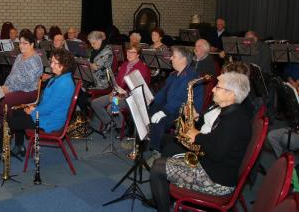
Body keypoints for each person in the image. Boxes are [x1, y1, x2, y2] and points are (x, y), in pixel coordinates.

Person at [149, 72, 252, 212]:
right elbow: (216, 142)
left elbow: (216, 153)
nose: (214, 89)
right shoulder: (230, 113)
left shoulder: (234, 121)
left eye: (218, 87)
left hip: (216, 181)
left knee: (158, 169)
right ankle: (167, 203)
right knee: (160, 163)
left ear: (231, 94)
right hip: (212, 168)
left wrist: (197, 136)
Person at [0, 48, 77, 164]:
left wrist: (32, 110)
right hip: (46, 114)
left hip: (50, 120)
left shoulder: (64, 84)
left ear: (64, 65)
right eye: (52, 61)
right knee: (15, 112)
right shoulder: (61, 77)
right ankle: (19, 146)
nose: (51, 65)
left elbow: (48, 108)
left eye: (55, 63)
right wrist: (32, 108)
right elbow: (47, 104)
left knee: (9, 122)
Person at [147, 46, 203, 161]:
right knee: (147, 111)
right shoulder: (174, 74)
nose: (171, 58)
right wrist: (151, 101)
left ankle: (156, 152)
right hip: (172, 105)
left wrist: (163, 111)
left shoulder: (190, 75)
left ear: (183, 59)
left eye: (174, 56)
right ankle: (146, 140)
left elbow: (180, 98)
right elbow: (163, 93)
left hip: (184, 111)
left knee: (159, 122)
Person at [90, 43, 151, 132]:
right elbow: (117, 83)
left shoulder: (142, 69)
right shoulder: (125, 64)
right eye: (128, 52)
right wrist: (113, 93)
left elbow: (138, 92)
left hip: (132, 98)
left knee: (112, 107)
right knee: (95, 103)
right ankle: (109, 122)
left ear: (138, 55)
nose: (129, 54)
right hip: (118, 94)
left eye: (133, 52)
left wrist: (119, 96)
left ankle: (122, 126)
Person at [0, 30, 43, 119]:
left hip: (29, 91)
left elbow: (27, 82)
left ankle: (12, 126)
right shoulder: (19, 56)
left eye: (25, 43)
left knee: (2, 102)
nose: (21, 45)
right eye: (20, 43)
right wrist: (4, 86)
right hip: (15, 89)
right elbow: (11, 75)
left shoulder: (34, 60)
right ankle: (6, 126)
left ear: (32, 44)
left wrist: (9, 89)